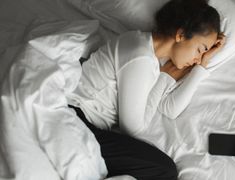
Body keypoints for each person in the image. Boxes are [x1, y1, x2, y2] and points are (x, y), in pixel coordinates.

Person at [67, 0, 226, 179]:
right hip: (78, 120)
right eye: (200, 50)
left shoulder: (149, 55)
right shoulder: (140, 57)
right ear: (181, 34)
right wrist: (165, 78)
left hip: (86, 123)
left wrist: (201, 67)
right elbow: (133, 130)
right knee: (164, 170)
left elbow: (169, 109)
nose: (197, 58)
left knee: (162, 169)